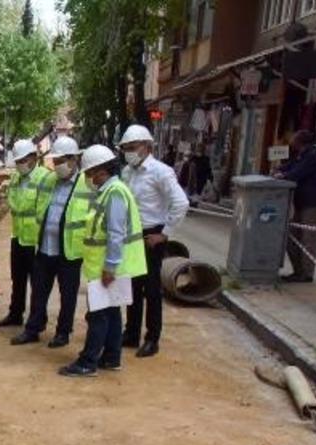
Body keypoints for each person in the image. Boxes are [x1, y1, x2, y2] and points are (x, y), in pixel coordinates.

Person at [59, 145, 147, 378]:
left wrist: (110, 266)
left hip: (107, 267)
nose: (87, 178)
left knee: (98, 315)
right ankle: (111, 357)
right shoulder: (111, 190)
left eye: (89, 173)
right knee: (111, 313)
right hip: (108, 266)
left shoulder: (114, 192)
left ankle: (88, 361)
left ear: (100, 170)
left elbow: (115, 233)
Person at [118, 124, 188, 358]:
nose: (129, 151)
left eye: (133, 147)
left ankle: (152, 338)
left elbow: (180, 203)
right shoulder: (127, 172)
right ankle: (131, 333)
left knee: (151, 289)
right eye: (125, 148)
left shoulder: (161, 171)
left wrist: (164, 233)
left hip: (151, 236)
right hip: (132, 235)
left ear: (147, 147)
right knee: (132, 287)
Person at [16, 136, 91, 349]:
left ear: (75, 159)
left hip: (69, 251)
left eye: (63, 160)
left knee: (67, 295)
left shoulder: (86, 184)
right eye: (56, 161)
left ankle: (63, 332)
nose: (58, 165)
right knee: (38, 291)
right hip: (45, 247)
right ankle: (33, 328)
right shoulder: (48, 181)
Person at [0, 138, 54, 333]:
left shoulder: (44, 177)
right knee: (18, 279)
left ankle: (37, 322)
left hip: (36, 241)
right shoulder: (16, 178)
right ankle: (15, 313)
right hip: (19, 237)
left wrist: (42, 239)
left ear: (33, 157)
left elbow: (43, 209)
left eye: (23, 159)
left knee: (38, 284)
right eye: (17, 161)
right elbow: (14, 204)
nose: (20, 164)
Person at [275, 129, 316, 283]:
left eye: (294, 139)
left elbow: (299, 171)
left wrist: (283, 175)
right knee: (292, 235)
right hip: (301, 201)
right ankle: (298, 270)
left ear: (300, 141)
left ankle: (306, 274)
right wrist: (280, 169)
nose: (291, 141)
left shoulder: (313, 154)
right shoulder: (303, 154)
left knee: (308, 238)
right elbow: (293, 165)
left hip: (313, 203)